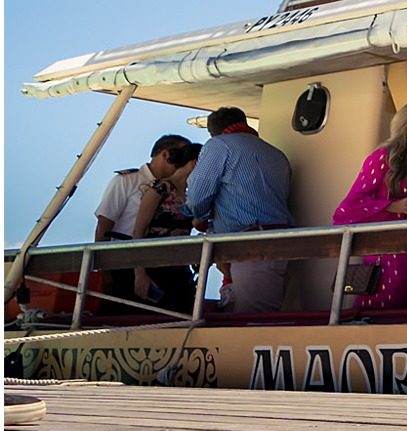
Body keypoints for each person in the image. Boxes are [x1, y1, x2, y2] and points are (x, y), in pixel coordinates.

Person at [331, 99, 407, 311]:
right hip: (389, 257)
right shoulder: (384, 158)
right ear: (406, 124)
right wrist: (392, 206)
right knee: (384, 311)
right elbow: (347, 209)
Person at [181, 108, 295, 312]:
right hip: (280, 243)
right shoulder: (277, 154)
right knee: (259, 316)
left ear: (211, 133)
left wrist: (191, 214)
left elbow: (198, 196)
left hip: (251, 246)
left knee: (252, 322)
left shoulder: (219, 145)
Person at [93, 134, 195, 314]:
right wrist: (104, 270)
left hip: (166, 264)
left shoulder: (182, 189)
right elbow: (104, 225)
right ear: (165, 155)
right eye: (182, 154)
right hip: (125, 263)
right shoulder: (127, 181)